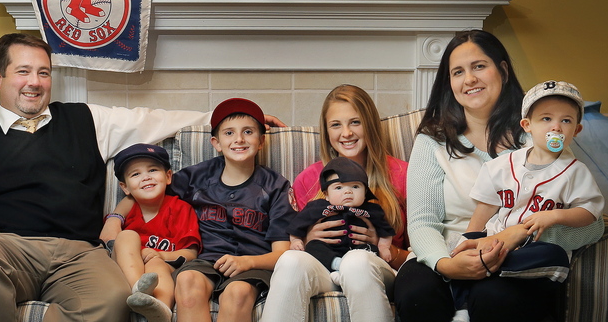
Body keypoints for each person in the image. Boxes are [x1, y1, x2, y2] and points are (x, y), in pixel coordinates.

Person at [0, 33, 214, 322]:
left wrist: (225, 117)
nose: (35, 83)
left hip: (78, 253)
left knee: (115, 297)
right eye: (23, 71)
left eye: (43, 73)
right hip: (5, 247)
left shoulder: (85, 119)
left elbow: (153, 120)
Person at [394, 30, 605, 322]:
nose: (469, 79)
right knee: (416, 295)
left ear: (503, 70)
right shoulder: (433, 140)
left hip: (518, 256)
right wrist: (446, 264)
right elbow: (422, 223)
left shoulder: (542, 135)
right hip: (448, 249)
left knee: (495, 297)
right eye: (458, 72)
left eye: (479, 66)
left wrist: (518, 235)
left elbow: (592, 225)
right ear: (449, 83)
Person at [107, 97, 295, 322]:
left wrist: (248, 262)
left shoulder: (275, 185)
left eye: (248, 132)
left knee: (237, 293)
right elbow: (149, 189)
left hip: (251, 263)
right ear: (216, 143)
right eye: (229, 133)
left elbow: (282, 253)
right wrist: (115, 217)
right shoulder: (197, 177)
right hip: (205, 260)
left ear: (261, 141)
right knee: (187, 281)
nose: (238, 139)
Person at [451, 79, 604, 321]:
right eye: (546, 119)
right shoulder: (502, 165)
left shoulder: (576, 171)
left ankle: (493, 267)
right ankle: (462, 308)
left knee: (555, 255)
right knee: (464, 250)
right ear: (527, 125)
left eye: (566, 120)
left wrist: (555, 215)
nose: (556, 127)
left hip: (533, 250)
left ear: (576, 130)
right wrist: (468, 239)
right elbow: (486, 207)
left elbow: (590, 212)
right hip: (496, 239)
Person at [261, 84, 409, 322]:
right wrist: (307, 239)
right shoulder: (309, 179)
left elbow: (419, 254)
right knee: (289, 261)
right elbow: (293, 237)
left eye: (355, 122)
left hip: (375, 268)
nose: (346, 133)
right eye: (336, 124)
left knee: (356, 261)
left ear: (370, 124)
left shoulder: (401, 174)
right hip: (324, 267)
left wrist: (386, 248)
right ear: (326, 131)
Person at [105, 143, 202, 322]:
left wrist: (159, 255)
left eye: (152, 170)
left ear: (168, 177)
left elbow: (190, 253)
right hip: (123, 271)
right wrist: (139, 253)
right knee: (127, 236)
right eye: (136, 174)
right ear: (125, 187)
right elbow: (107, 242)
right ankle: (138, 289)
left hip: (161, 270)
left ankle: (160, 309)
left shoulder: (180, 209)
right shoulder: (126, 212)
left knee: (156, 266)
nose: (146, 178)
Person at [287, 157, 395, 284]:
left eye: (355, 186)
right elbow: (296, 225)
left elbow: (386, 231)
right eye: (338, 188)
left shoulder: (372, 210)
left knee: (370, 250)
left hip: (359, 254)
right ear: (326, 194)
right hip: (328, 251)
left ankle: (346, 272)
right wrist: (295, 241)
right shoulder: (317, 207)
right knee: (313, 246)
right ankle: (337, 266)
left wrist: (383, 246)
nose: (348, 191)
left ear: (365, 193)